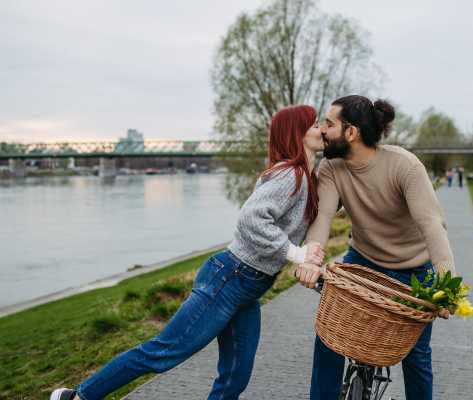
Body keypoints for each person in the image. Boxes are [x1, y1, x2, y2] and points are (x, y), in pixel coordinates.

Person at [50, 105, 327, 400]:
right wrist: (296, 254)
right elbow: (251, 219)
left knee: (235, 376)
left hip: (248, 288)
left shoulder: (307, 177)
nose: (321, 129)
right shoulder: (290, 174)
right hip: (230, 278)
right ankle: (78, 396)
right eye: (314, 125)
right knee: (164, 352)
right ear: (297, 133)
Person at [295, 95, 456, 400]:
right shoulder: (332, 170)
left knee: (416, 354)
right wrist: (311, 259)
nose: (323, 130)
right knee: (329, 336)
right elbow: (323, 219)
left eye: (329, 123)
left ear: (351, 132)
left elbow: (432, 227)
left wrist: (447, 287)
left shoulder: (403, 165)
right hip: (363, 261)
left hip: (415, 271)